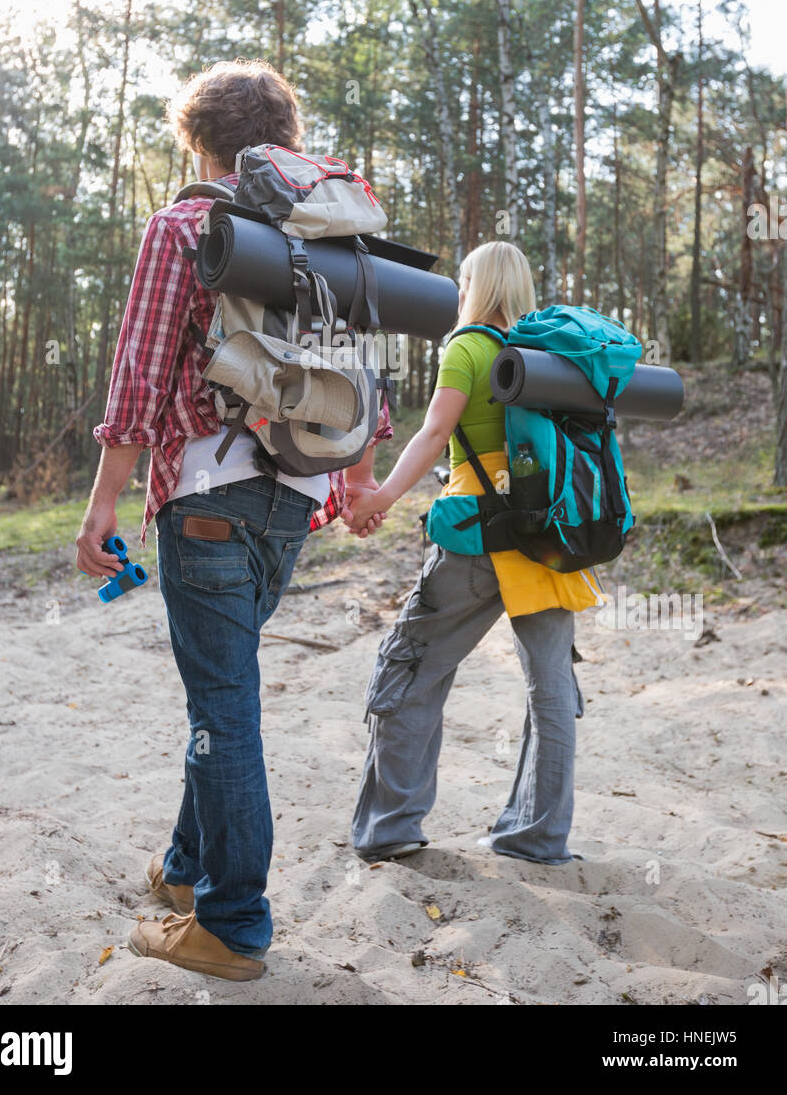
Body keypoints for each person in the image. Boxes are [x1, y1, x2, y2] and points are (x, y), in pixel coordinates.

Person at [76, 59, 391, 982]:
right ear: (286, 142)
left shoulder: (184, 223)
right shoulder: (333, 237)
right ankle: (183, 874)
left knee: (223, 705)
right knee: (228, 693)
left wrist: (103, 507)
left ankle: (233, 925)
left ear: (198, 142)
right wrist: (348, 484)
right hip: (293, 497)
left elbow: (137, 385)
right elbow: (364, 378)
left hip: (205, 497)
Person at [344, 241, 598, 867]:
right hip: (550, 537)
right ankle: (538, 838)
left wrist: (380, 497)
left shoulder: (468, 347)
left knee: (410, 667)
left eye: (463, 281)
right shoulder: (547, 357)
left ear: (475, 287)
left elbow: (433, 433)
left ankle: (391, 828)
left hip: (481, 535)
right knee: (552, 690)